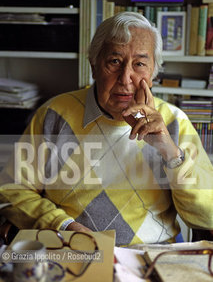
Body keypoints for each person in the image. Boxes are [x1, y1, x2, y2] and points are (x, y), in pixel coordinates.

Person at [0, 12, 213, 246]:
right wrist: (62, 225)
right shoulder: (54, 114)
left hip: (150, 256)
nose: (126, 78)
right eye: (114, 61)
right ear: (94, 65)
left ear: (153, 73)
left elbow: (206, 215)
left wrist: (170, 152)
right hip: (72, 249)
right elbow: (12, 190)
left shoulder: (175, 122)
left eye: (140, 64)